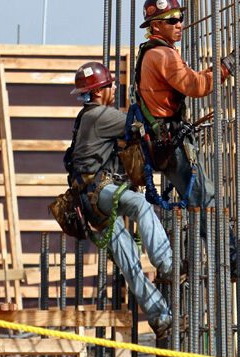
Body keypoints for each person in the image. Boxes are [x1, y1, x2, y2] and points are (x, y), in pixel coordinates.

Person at [132, 0, 240, 268]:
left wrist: (218, 68)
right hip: (171, 142)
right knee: (204, 199)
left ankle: (210, 258)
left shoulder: (150, 53)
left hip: (163, 141)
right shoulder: (164, 55)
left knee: (197, 200)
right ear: (156, 25)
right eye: (172, 20)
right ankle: (230, 259)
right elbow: (196, 85)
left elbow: (192, 77)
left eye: (180, 18)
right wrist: (226, 67)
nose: (179, 24)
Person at [67, 61, 173, 337]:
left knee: (129, 262)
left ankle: (160, 317)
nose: (115, 87)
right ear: (99, 91)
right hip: (97, 192)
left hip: (88, 205)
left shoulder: (83, 118)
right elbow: (138, 124)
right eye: (110, 84)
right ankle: (166, 263)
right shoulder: (100, 115)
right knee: (139, 204)